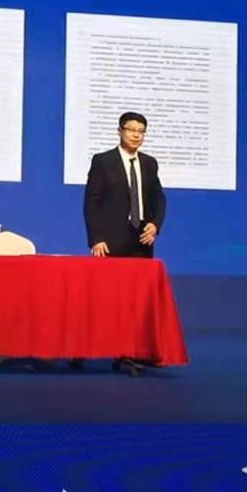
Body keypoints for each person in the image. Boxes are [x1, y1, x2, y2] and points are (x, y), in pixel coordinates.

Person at [79, 112, 166, 375]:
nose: (136, 135)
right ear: (120, 131)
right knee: (106, 300)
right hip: (110, 243)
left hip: (140, 243)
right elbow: (91, 202)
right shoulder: (103, 161)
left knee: (135, 301)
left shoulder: (149, 163)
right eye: (131, 130)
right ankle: (85, 349)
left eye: (141, 131)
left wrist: (155, 224)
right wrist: (96, 238)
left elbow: (158, 199)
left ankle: (127, 352)